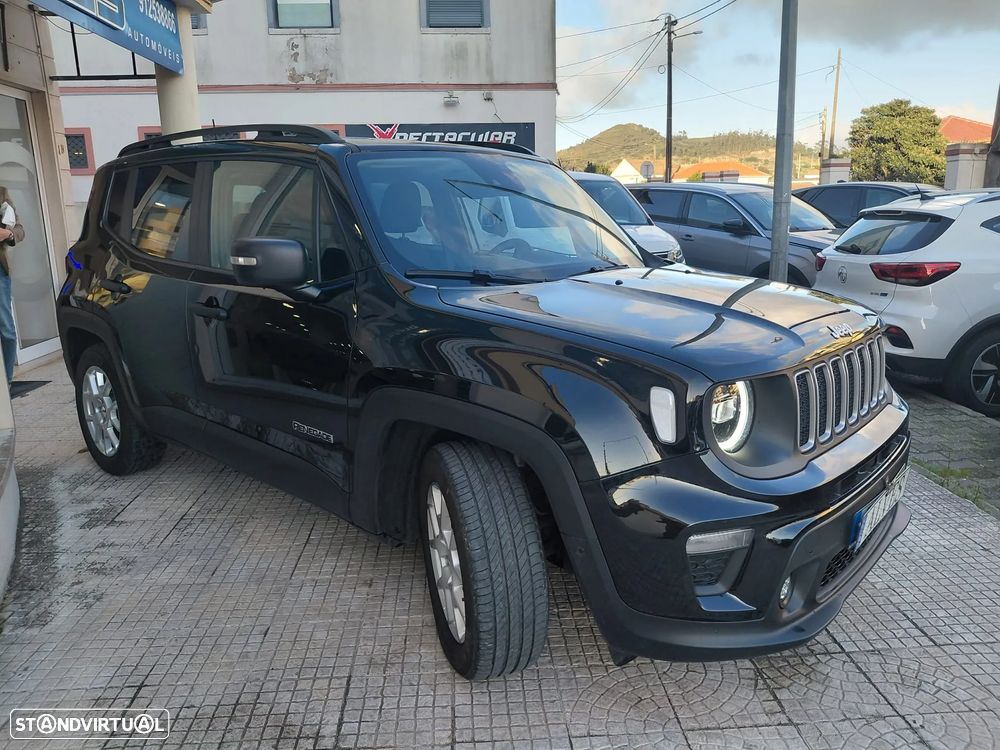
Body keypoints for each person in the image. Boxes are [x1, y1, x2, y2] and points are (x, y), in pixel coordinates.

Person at [0, 187, 18, 385]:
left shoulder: (2, 194)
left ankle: (7, 381)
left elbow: (19, 228)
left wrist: (8, 233)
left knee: (6, 329)